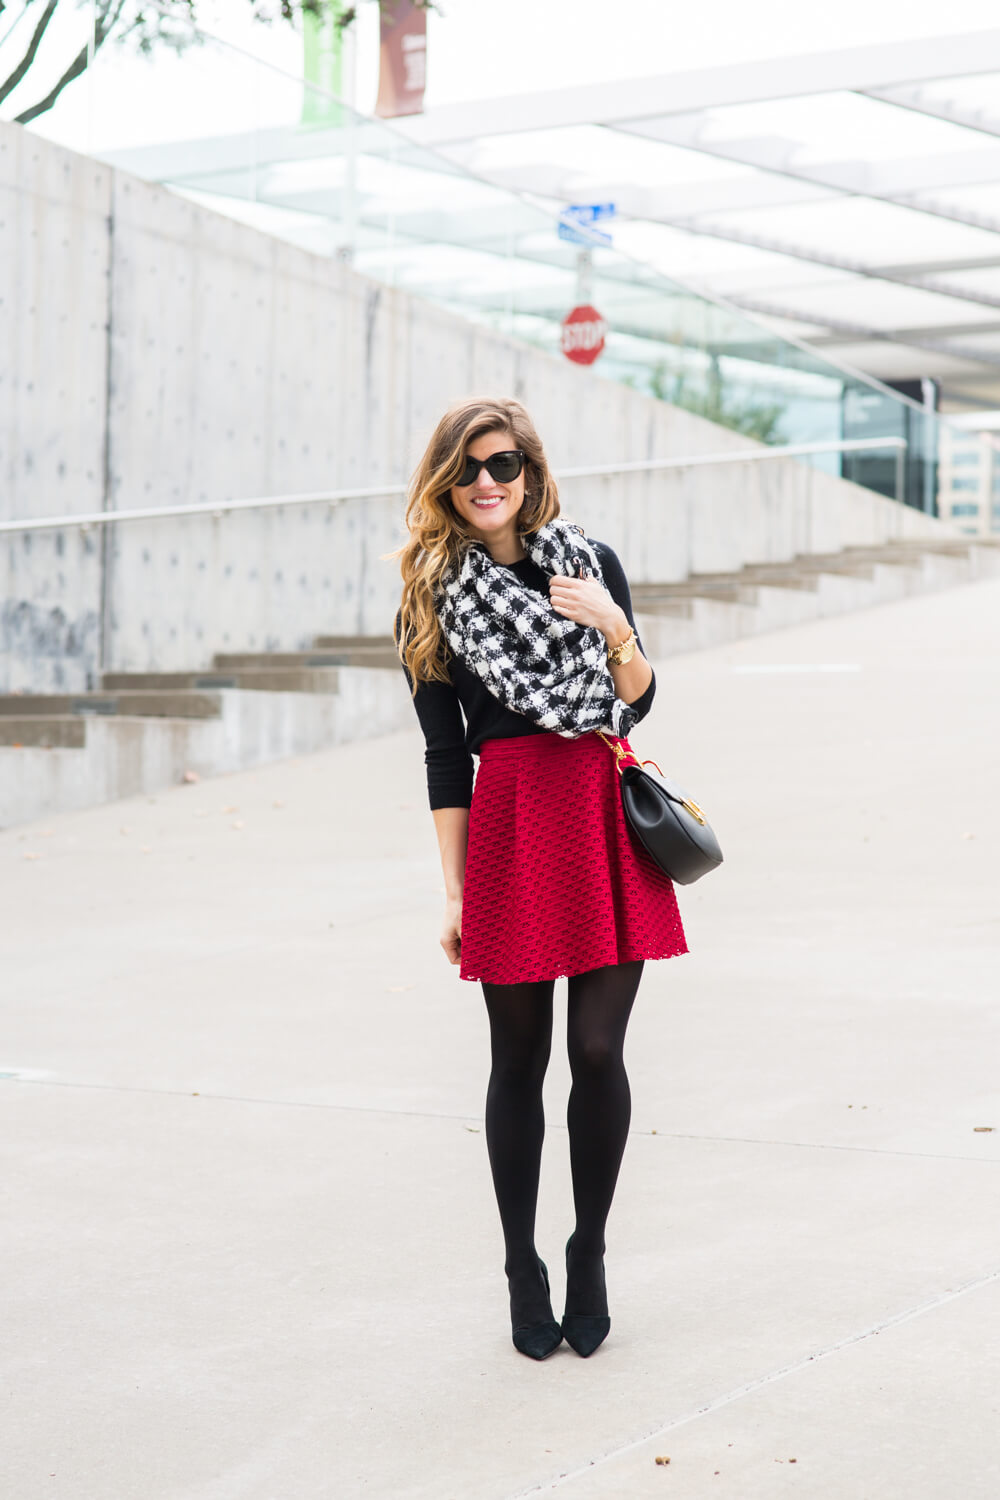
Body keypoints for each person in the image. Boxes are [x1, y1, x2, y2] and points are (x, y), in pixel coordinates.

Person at [396, 397, 687, 1360]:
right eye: (469, 468)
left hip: (600, 811)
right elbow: (446, 760)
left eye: (505, 463)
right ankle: (522, 1263)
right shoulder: (433, 597)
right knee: (517, 1059)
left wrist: (613, 626)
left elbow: (636, 705)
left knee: (598, 1053)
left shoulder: (590, 563)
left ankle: (589, 1249)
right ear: (446, 482)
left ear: (530, 471)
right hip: (513, 825)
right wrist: (452, 892)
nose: (488, 482)